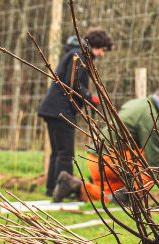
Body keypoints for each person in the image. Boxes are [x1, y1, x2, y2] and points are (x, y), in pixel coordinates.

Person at [37, 29, 113, 198]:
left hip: (53, 108)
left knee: (57, 152)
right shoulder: (79, 55)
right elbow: (73, 82)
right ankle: (65, 190)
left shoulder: (76, 54)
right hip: (61, 110)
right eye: (103, 50)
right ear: (97, 45)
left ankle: (52, 189)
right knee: (66, 153)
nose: (102, 54)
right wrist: (89, 98)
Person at [52, 94, 159, 204]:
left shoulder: (137, 104)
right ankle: (131, 195)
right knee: (148, 161)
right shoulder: (149, 115)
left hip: (95, 158)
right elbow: (154, 160)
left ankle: (73, 185)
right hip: (108, 160)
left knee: (108, 197)